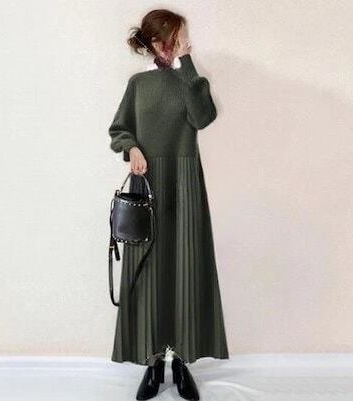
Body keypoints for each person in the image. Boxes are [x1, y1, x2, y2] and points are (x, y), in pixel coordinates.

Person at [108, 9, 229, 400]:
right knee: (148, 272)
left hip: (185, 184)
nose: (175, 43)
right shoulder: (138, 84)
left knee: (186, 268)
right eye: (171, 38)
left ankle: (181, 361)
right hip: (148, 187)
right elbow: (119, 130)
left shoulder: (189, 80)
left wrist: (187, 63)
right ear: (155, 41)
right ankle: (153, 362)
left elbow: (203, 117)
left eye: (180, 37)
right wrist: (132, 148)